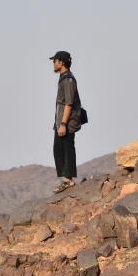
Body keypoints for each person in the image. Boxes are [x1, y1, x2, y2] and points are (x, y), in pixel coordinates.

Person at [49, 50, 82, 193]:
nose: (53, 63)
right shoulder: (63, 78)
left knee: (67, 149)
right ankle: (66, 179)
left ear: (61, 62)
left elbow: (69, 103)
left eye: (55, 61)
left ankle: (69, 181)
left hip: (66, 123)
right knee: (58, 150)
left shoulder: (68, 80)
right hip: (60, 122)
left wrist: (63, 124)